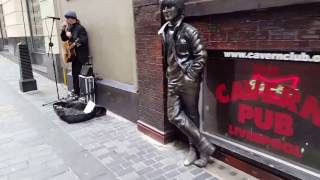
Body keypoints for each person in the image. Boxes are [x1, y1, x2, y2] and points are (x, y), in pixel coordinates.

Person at [158, 0, 216, 167]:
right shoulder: (164, 31)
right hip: (172, 79)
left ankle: (195, 151)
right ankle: (204, 145)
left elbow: (201, 56)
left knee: (191, 115)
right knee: (173, 115)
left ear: (179, 8)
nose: (166, 10)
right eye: (164, 7)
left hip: (187, 80)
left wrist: (190, 75)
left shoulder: (190, 30)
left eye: (170, 6)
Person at [60, 10, 89, 96]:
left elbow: (84, 40)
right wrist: (63, 30)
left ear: (73, 19)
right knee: (74, 74)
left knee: (79, 74)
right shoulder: (69, 27)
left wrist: (72, 37)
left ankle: (81, 93)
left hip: (80, 56)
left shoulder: (80, 28)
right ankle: (76, 91)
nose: (66, 20)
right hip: (74, 56)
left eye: (67, 18)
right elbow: (64, 39)